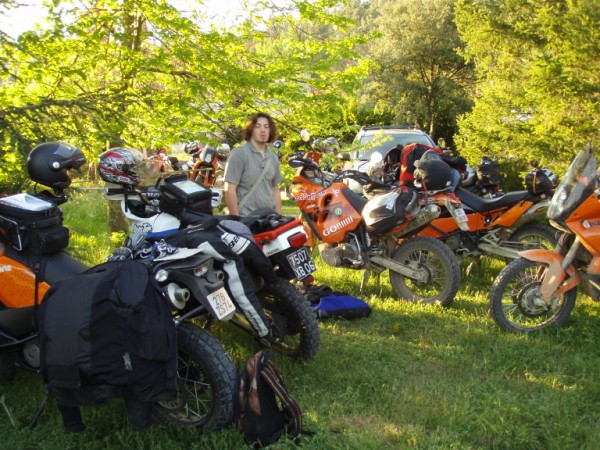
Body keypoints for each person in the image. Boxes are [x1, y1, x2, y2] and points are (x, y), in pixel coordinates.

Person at [224, 112, 282, 216]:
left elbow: (275, 189)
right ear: (251, 129)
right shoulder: (239, 154)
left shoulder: (273, 158)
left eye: (266, 126)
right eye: (258, 126)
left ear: (270, 130)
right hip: (245, 218)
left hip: (268, 218)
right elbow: (229, 189)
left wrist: (278, 216)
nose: (263, 130)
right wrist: (237, 219)